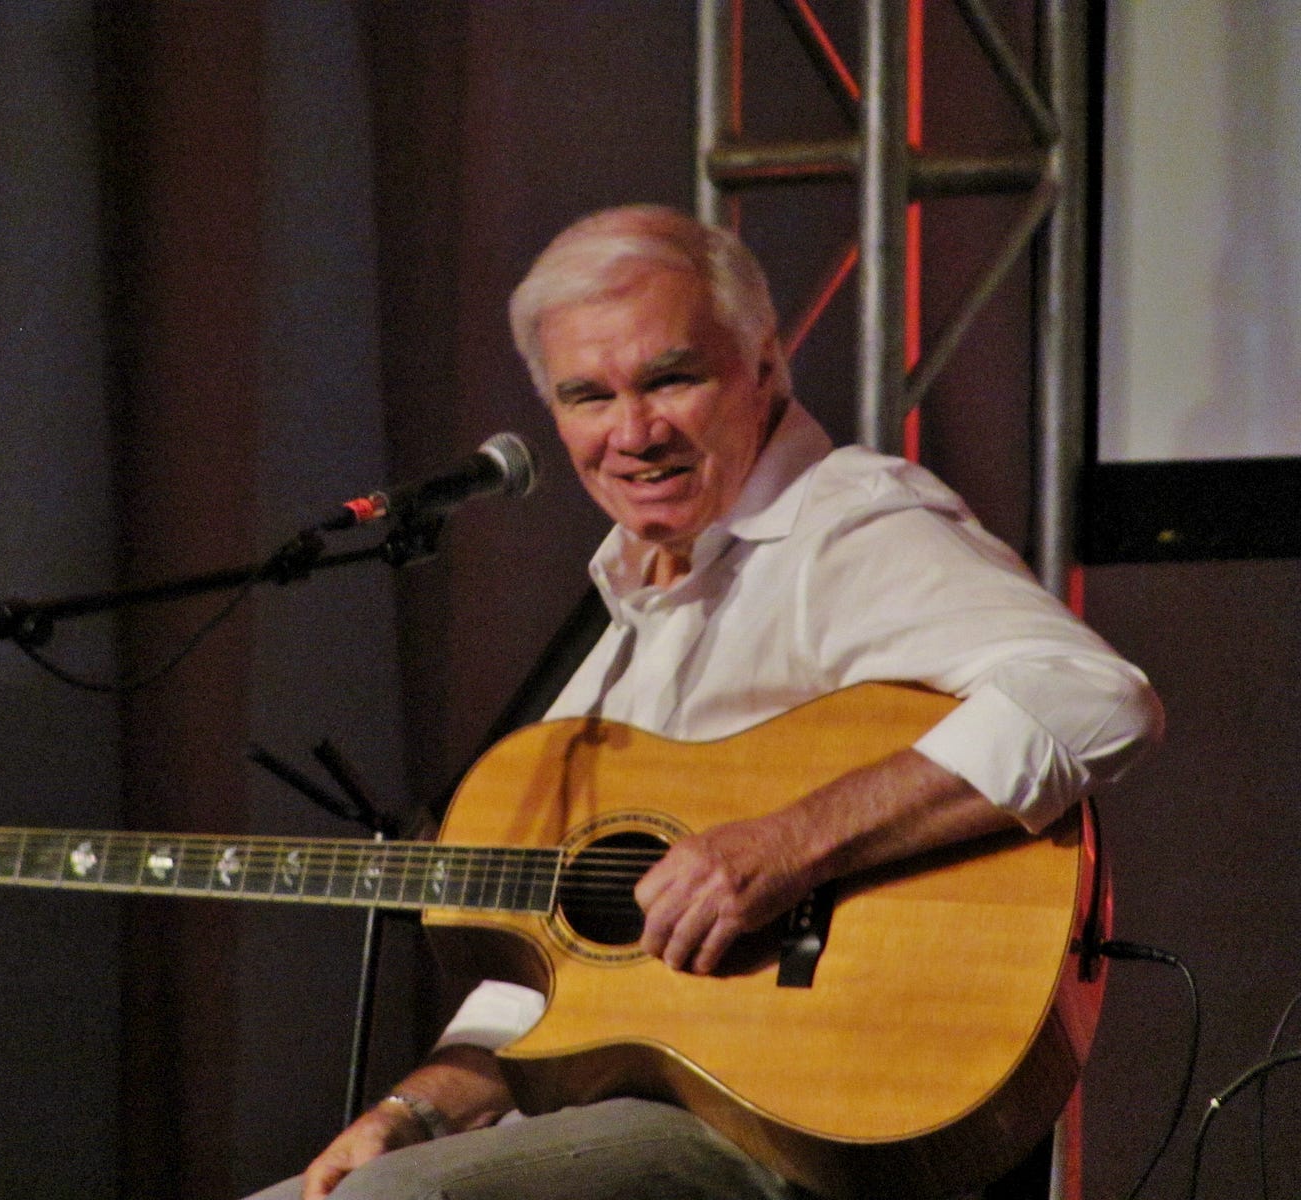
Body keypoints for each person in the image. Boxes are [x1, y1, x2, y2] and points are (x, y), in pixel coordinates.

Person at [244, 204, 1163, 1200]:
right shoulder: (620, 616)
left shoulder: (845, 528)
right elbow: (553, 975)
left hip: (798, 1120)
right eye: (586, 396)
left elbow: (1092, 697)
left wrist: (789, 844)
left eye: (670, 379)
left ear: (766, 367)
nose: (631, 433)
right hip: (644, 1102)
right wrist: (409, 1114)